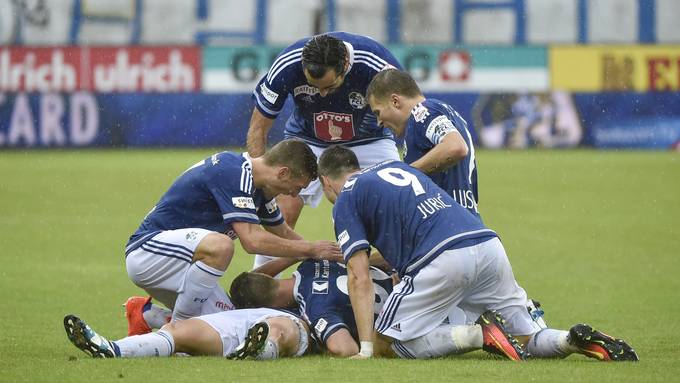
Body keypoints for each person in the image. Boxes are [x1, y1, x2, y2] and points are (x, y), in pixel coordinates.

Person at [317, 145, 638, 362]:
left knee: (387, 342)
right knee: (527, 338)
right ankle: (572, 339)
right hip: (486, 246)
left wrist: (368, 348)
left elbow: (358, 276)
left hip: (441, 260)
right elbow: (407, 239)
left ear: (325, 181)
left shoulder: (346, 196)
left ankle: (477, 335)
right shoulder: (398, 170)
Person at [122, 139, 341, 336]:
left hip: (185, 266)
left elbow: (284, 234)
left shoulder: (261, 189)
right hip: (148, 252)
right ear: (282, 173)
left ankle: (148, 314)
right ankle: (178, 332)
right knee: (222, 246)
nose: (293, 195)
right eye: (296, 188)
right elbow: (252, 241)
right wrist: (310, 250)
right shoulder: (232, 171)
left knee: (229, 323)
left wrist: (332, 254)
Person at [247, 32, 403, 270]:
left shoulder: (379, 67)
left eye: (329, 86)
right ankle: (257, 289)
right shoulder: (287, 65)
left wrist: (413, 169)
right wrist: (259, 183)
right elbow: (258, 128)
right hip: (306, 139)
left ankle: (400, 284)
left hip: (371, 140)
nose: (321, 94)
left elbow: (406, 120)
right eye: (313, 86)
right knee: (279, 210)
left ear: (345, 66)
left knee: (396, 208)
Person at [366, 68, 480, 216]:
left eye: (378, 112)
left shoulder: (423, 112)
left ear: (395, 101)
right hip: (464, 219)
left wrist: (405, 173)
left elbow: (456, 147)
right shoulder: (441, 113)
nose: (379, 122)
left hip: (447, 224)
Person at [229, 258, 394, 357]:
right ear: (267, 276)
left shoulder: (314, 306)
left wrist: (321, 347)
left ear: (264, 309)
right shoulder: (313, 260)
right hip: (406, 283)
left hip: (406, 321)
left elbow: (345, 349)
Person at [63, 308, 309, 360]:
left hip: (287, 319)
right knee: (175, 331)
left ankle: (257, 351)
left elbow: (341, 344)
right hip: (237, 317)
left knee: (280, 329)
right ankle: (113, 349)